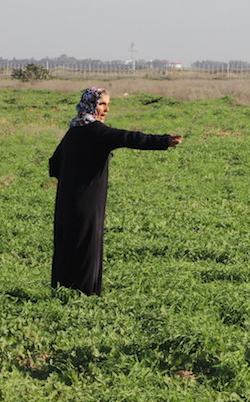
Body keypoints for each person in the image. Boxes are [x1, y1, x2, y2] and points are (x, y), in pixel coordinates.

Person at [49, 87, 183, 295]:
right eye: (102, 104)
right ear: (91, 105)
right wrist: (163, 141)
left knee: (67, 243)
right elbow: (129, 138)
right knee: (87, 245)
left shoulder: (74, 129)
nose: (107, 109)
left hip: (67, 200)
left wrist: (73, 178)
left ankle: (62, 290)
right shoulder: (95, 131)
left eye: (108, 105)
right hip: (88, 201)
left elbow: (54, 164)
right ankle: (86, 294)